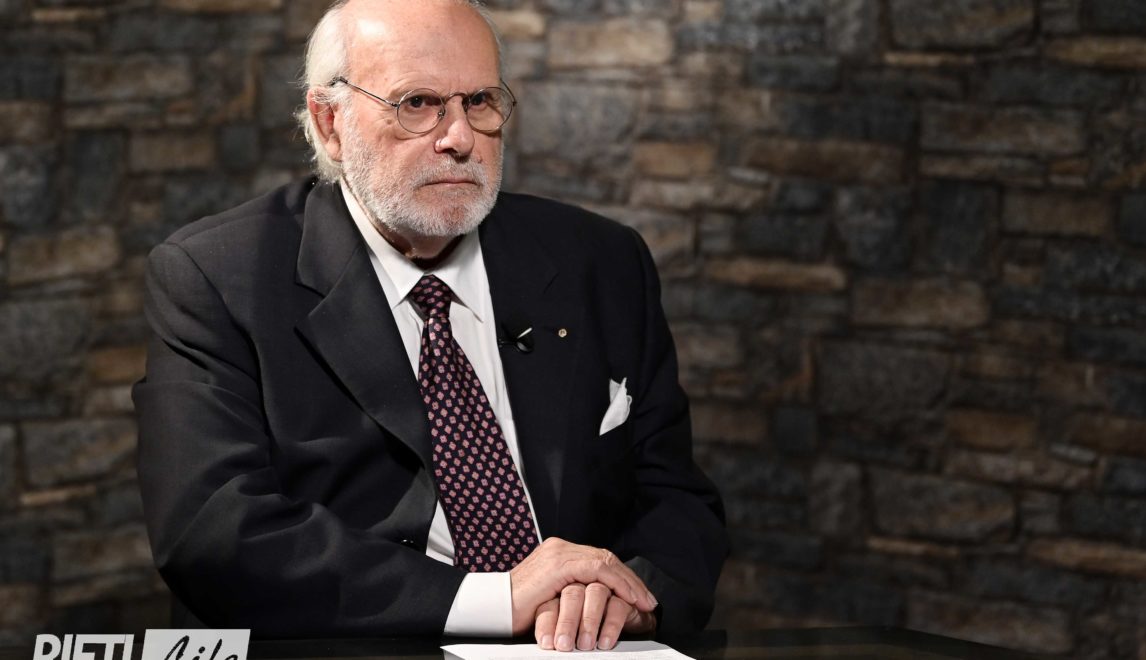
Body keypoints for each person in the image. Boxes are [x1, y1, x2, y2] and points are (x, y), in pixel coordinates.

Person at [133, 0, 727, 651]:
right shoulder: (218, 277)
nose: (459, 137)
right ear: (330, 124)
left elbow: (677, 499)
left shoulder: (602, 260)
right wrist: (493, 600)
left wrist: (630, 596)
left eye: (480, 101)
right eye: (417, 104)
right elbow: (213, 532)